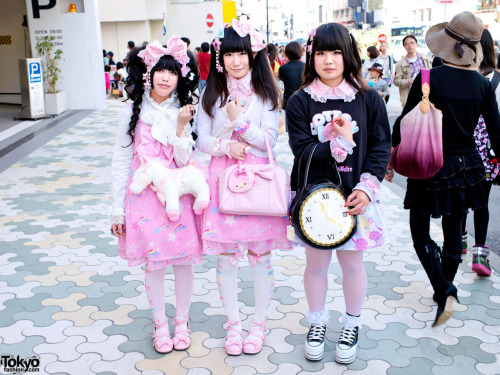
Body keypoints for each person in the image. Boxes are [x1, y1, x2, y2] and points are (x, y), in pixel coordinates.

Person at [286, 23, 391, 364]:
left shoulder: (368, 98)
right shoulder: (300, 102)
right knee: (315, 264)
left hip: (355, 197)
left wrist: (366, 188)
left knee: (352, 265)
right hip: (315, 200)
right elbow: (301, 151)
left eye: (335, 52)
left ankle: (351, 324)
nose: (328, 60)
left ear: (348, 55)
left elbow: (380, 147)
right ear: (311, 57)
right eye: (320, 53)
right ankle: (317, 322)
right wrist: (339, 141)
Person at [387, 12, 500, 327]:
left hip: (429, 165)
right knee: (454, 239)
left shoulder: (428, 79)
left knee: (420, 233)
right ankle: (445, 289)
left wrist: (389, 156)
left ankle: (444, 287)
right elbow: (497, 134)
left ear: (446, 43)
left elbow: (402, 124)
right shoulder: (482, 84)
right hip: (467, 169)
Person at [195, 18, 291, 356]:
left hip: (259, 187)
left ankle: (259, 324)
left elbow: (270, 142)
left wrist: (240, 123)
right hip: (223, 183)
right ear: (220, 58)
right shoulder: (212, 91)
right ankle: (233, 324)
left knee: (259, 257)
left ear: (253, 55)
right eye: (228, 55)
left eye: (241, 54)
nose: (235, 62)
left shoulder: (266, 93)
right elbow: (202, 140)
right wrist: (225, 146)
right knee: (226, 259)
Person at [110, 38, 201, 354]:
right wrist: (116, 210)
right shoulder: (132, 111)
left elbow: (182, 160)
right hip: (144, 199)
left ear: (180, 76)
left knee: (182, 262)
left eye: (172, 72)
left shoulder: (184, 109)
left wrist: (179, 127)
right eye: (159, 71)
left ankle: (182, 321)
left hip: (178, 196)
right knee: (155, 264)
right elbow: (121, 161)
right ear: (147, 73)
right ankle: (160, 323)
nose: (165, 78)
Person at [461, 28, 500, 276]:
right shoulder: (496, 79)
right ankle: (480, 256)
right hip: (487, 149)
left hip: (459, 147)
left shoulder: (460, 76)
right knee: (481, 203)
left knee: (460, 197)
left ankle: (460, 239)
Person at [393, 35, 431, 107]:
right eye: (407, 44)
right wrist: (408, 81)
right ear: (404, 47)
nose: (410, 46)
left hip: (426, 95)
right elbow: (396, 81)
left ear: (416, 44)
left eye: (412, 43)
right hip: (410, 97)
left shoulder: (425, 59)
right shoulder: (400, 63)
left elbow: (431, 74)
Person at [278, 41, 305, 110]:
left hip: (289, 100)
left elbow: (281, 83)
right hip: (304, 100)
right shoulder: (306, 67)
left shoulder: (283, 68)